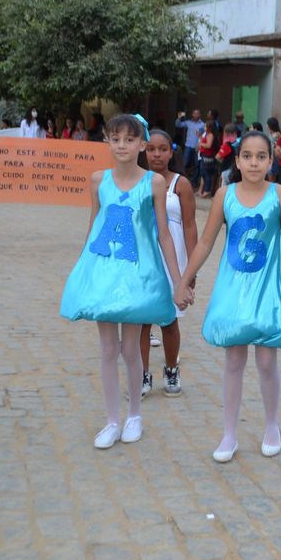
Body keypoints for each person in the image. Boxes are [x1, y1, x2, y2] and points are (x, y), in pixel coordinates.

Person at [176, 132, 281, 462]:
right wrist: (185, 278)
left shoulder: (279, 195)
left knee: (266, 361)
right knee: (233, 360)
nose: (253, 162)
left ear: (270, 160)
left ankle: (271, 425)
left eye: (261, 156)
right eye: (247, 156)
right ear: (237, 161)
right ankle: (229, 433)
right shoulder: (224, 195)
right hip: (233, 289)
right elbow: (205, 242)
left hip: (268, 288)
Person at [60, 114, 187, 449]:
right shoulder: (98, 180)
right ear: (107, 141)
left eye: (129, 140)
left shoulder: (153, 183)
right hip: (103, 272)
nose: (121, 145)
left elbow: (163, 234)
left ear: (141, 144)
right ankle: (111, 420)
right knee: (106, 349)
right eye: (115, 139)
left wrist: (178, 280)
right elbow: (94, 225)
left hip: (136, 276)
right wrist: (81, 269)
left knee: (131, 349)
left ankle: (134, 415)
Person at [138, 130, 197, 397]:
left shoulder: (180, 184)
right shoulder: (138, 181)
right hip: (144, 257)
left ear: (171, 152)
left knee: (169, 321)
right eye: (151, 149)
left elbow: (189, 225)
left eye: (162, 149)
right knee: (141, 321)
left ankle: (171, 369)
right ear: (144, 151)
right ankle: (141, 374)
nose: (157, 154)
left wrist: (191, 268)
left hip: (173, 257)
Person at [175, 109, 205, 177]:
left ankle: (194, 181)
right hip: (188, 145)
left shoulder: (203, 124)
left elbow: (204, 136)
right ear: (192, 114)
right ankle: (182, 177)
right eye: (194, 113)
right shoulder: (188, 122)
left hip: (197, 147)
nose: (196, 115)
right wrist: (179, 118)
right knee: (185, 163)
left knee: (196, 164)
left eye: (197, 113)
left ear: (200, 115)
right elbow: (178, 125)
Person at [197, 120, 220, 198]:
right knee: (204, 173)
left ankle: (207, 190)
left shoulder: (210, 135)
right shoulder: (207, 134)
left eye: (205, 126)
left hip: (207, 156)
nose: (204, 127)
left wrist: (201, 144)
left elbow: (208, 145)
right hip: (205, 155)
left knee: (206, 173)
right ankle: (204, 190)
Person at [217, 123, 239, 187]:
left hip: (226, 170)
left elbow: (218, 157)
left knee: (224, 190)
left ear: (226, 133)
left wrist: (223, 161)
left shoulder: (227, 144)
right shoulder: (239, 142)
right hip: (236, 170)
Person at [267, 118, 281, 183]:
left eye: (267, 125)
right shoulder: (271, 134)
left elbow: (276, 146)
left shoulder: (276, 134)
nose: (267, 126)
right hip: (271, 157)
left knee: (272, 177)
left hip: (274, 158)